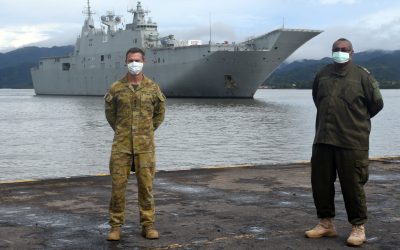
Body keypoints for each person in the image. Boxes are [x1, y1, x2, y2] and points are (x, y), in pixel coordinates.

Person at [305, 38, 384, 246]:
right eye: (336, 50)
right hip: (323, 138)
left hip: (352, 140)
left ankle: (358, 227)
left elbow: (377, 104)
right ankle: (325, 224)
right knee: (320, 184)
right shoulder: (322, 74)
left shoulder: (362, 76)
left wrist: (354, 120)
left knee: (353, 186)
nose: (340, 52)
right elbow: (317, 98)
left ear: (352, 52)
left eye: (344, 49)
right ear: (331, 52)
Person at [104, 47, 166, 241]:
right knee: (118, 187)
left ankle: (148, 225)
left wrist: (145, 131)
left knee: (146, 187)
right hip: (121, 146)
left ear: (143, 62)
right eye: (130, 60)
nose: (134, 63)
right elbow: (110, 114)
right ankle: (115, 226)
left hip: (145, 147)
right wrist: (123, 131)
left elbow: (160, 113)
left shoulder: (153, 87)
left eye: (137, 60)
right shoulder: (116, 88)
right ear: (126, 62)